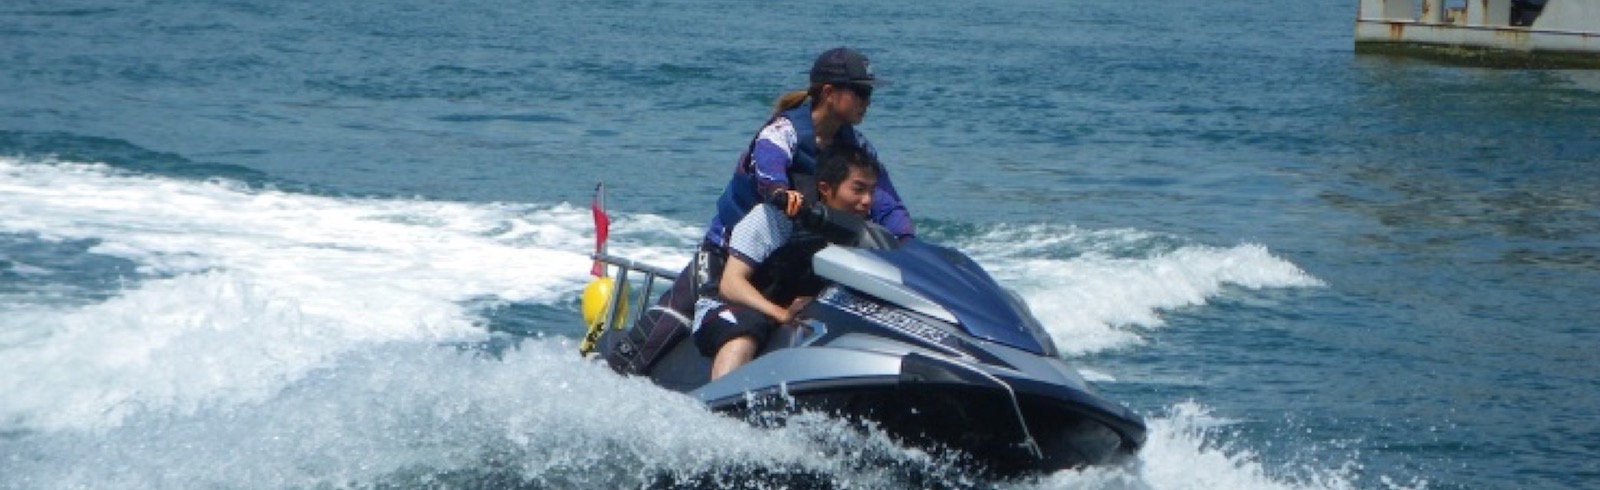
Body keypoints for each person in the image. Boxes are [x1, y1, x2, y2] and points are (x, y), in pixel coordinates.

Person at [603, 47, 915, 375]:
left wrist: (908, 247)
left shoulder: (856, 148)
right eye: (861, 92)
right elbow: (769, 168)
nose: (868, 101)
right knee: (665, 328)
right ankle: (613, 372)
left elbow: (888, 204)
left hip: (785, 264)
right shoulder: (782, 132)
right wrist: (781, 192)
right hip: (728, 255)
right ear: (828, 92)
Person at [694, 144, 880, 380]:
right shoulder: (776, 217)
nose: (867, 201)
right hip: (727, 307)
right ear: (825, 188)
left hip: (791, 313)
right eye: (858, 189)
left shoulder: (863, 233)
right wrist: (780, 314)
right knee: (745, 331)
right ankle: (720, 400)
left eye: (872, 191)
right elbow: (731, 284)